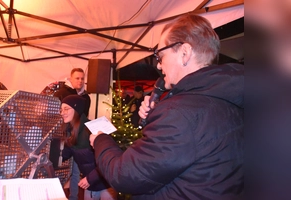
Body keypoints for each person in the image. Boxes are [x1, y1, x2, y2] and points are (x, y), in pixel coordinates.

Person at [89, 14, 244, 199]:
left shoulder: (180, 113)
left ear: (185, 53)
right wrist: (156, 118)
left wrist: (101, 141)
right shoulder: (231, 99)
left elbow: (124, 175)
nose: (159, 66)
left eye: (160, 56)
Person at [60, 95, 117, 200]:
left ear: (76, 109)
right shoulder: (70, 132)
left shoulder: (91, 130)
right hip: (91, 186)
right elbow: (64, 155)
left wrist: (90, 179)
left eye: (66, 109)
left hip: (106, 184)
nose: (62, 112)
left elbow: (108, 159)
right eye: (61, 109)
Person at [53, 67, 91, 200]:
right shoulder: (61, 93)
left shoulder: (86, 97)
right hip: (66, 135)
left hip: (77, 136)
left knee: (76, 170)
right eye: (77, 78)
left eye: (82, 78)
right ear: (71, 78)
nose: (80, 81)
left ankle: (73, 196)